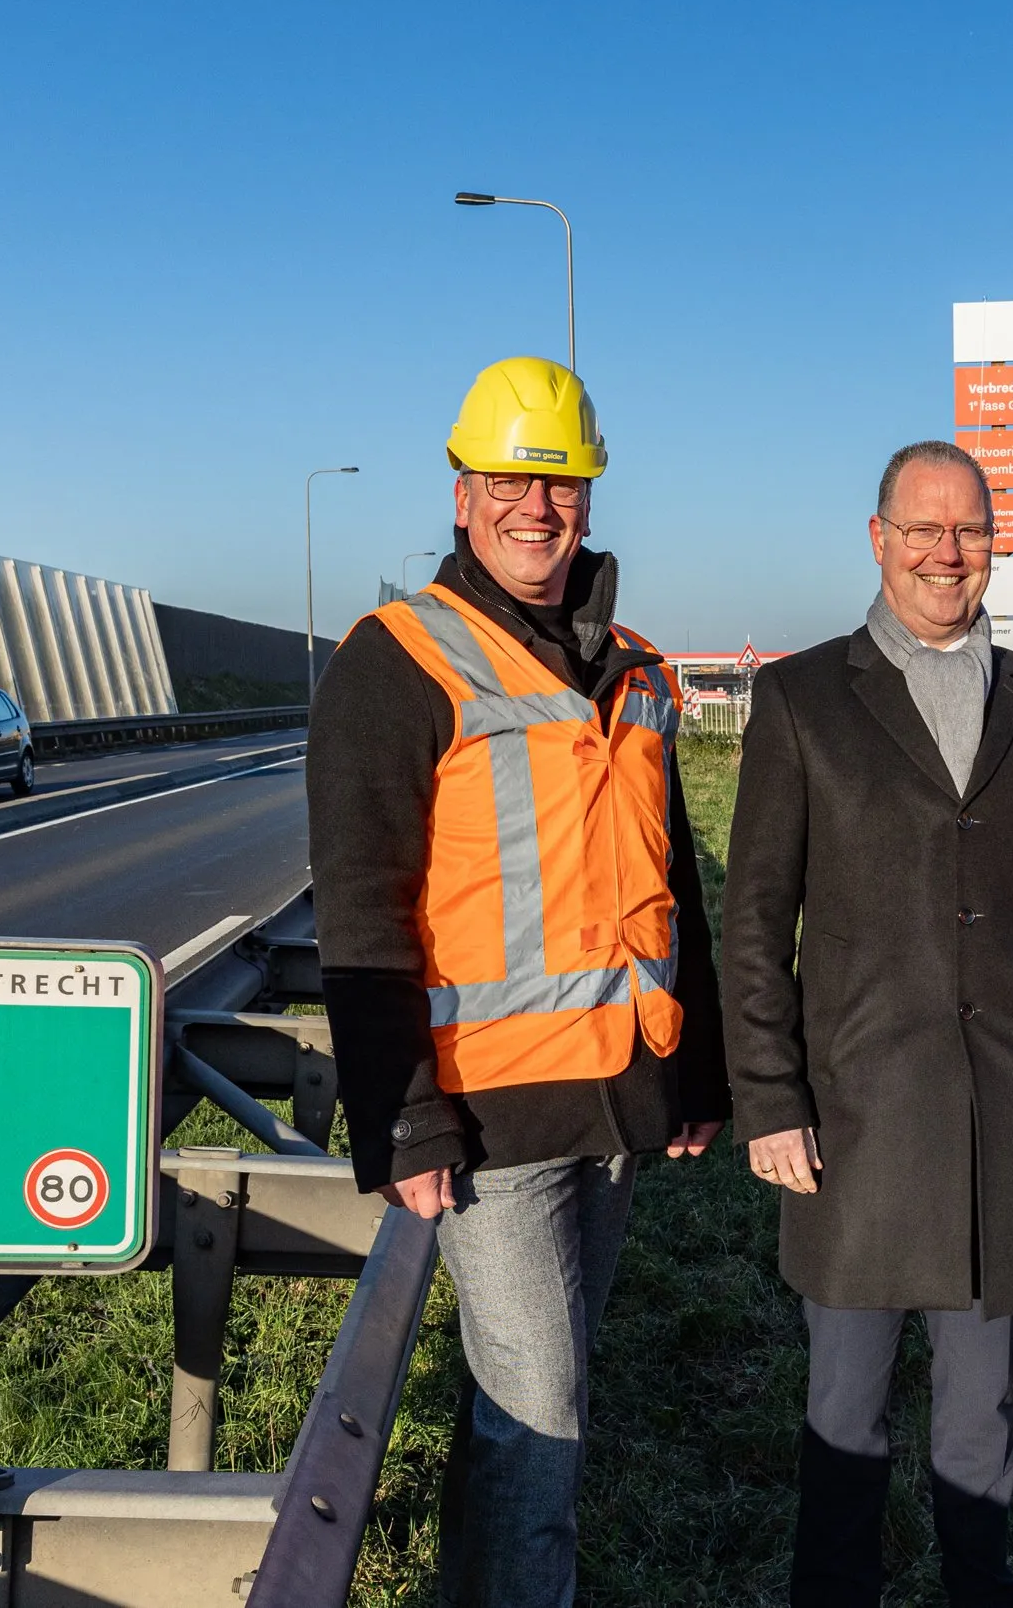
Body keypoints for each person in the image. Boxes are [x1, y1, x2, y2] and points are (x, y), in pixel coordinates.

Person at [308, 356, 728, 1608]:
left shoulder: (637, 667)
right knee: (538, 1415)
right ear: (460, 491)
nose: (534, 506)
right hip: (486, 1114)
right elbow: (361, 903)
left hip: (613, 1102)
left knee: (546, 1404)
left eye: (560, 481)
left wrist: (696, 1069)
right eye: (508, 479)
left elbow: (674, 885)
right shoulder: (398, 660)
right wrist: (403, 1114)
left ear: (588, 497)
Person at [722, 440, 1013, 1607]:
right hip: (852, 1126)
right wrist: (770, 1097)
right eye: (923, 529)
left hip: (1002, 1117)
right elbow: (755, 915)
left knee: (979, 1426)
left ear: (995, 540)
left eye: (971, 530)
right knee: (843, 1419)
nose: (947, 553)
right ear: (879, 538)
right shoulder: (802, 697)